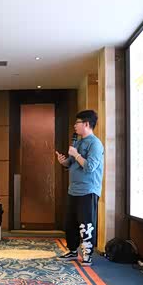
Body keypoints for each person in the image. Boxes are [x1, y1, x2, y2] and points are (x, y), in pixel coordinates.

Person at [55, 110, 104, 266]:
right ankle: (72, 250)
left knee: (86, 224)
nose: (75, 126)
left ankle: (87, 254)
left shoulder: (95, 144)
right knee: (70, 223)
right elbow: (71, 163)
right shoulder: (77, 142)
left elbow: (90, 167)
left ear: (86, 124)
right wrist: (63, 161)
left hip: (88, 190)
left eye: (77, 123)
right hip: (73, 190)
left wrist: (76, 155)